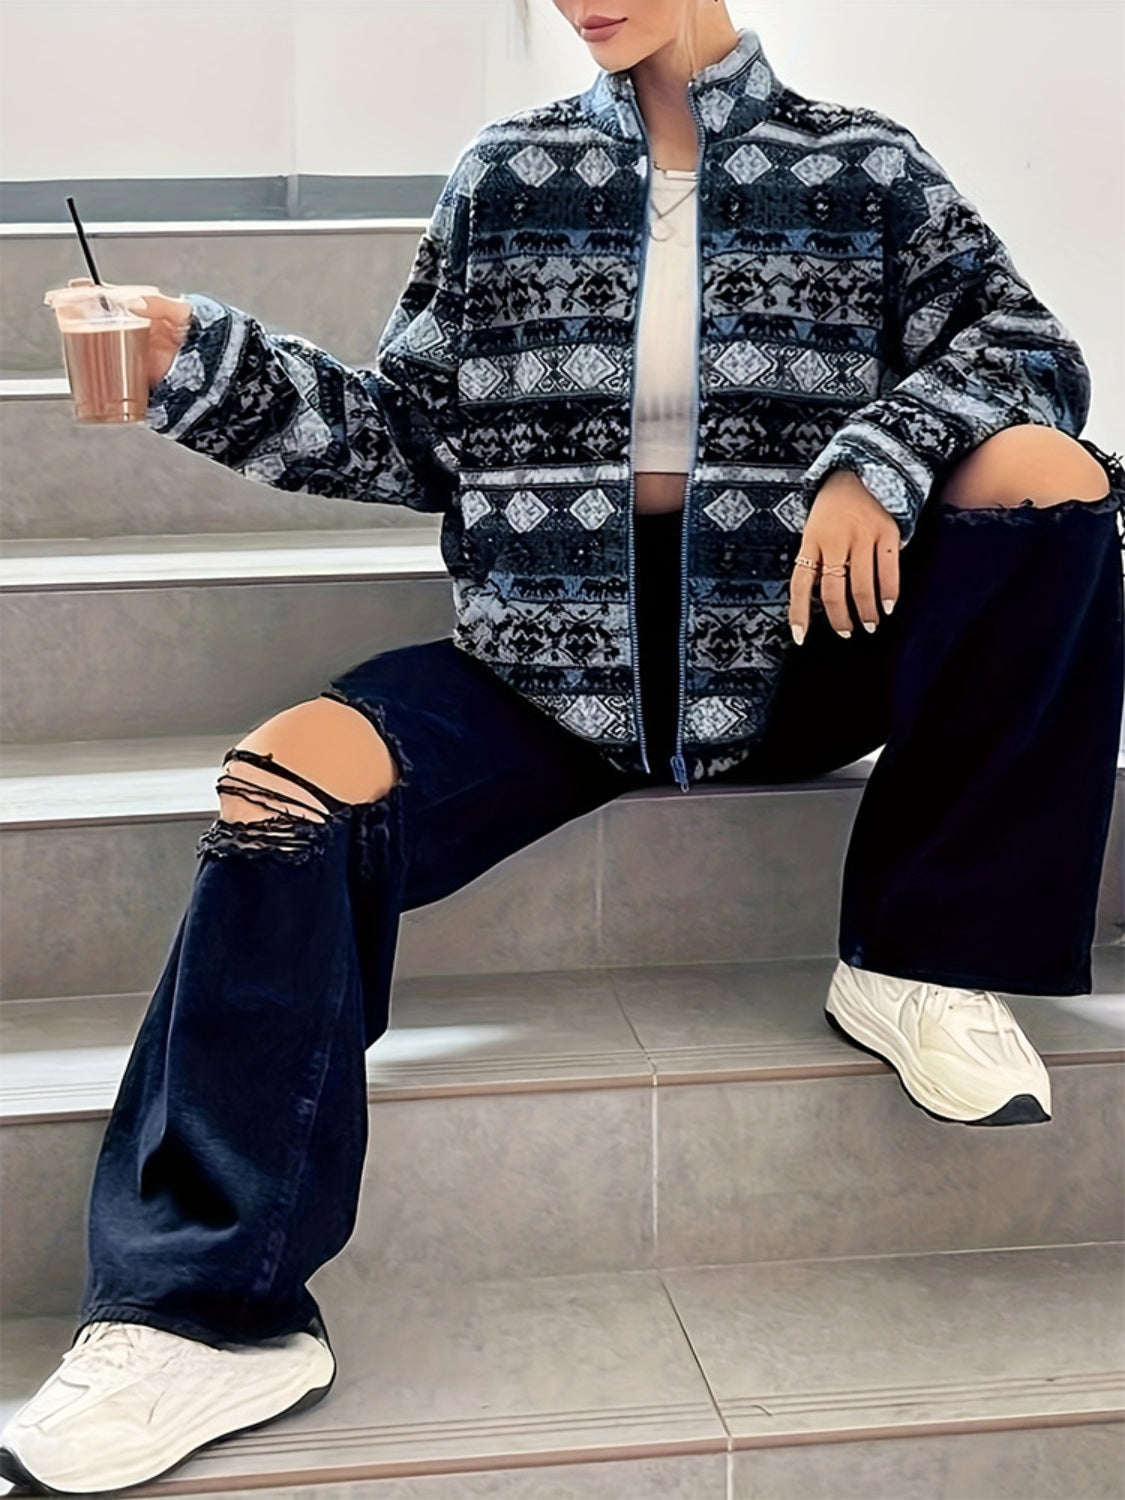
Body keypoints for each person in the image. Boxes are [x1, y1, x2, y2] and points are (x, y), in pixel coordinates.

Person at [3, 1, 1123, 1492]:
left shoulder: (863, 165)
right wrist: (201, 359)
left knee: (1047, 477)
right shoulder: (508, 172)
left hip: (796, 651)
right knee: (283, 780)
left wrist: (878, 454)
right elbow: (411, 435)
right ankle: (199, 1313)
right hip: (547, 667)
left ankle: (921, 954)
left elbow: (1029, 351)